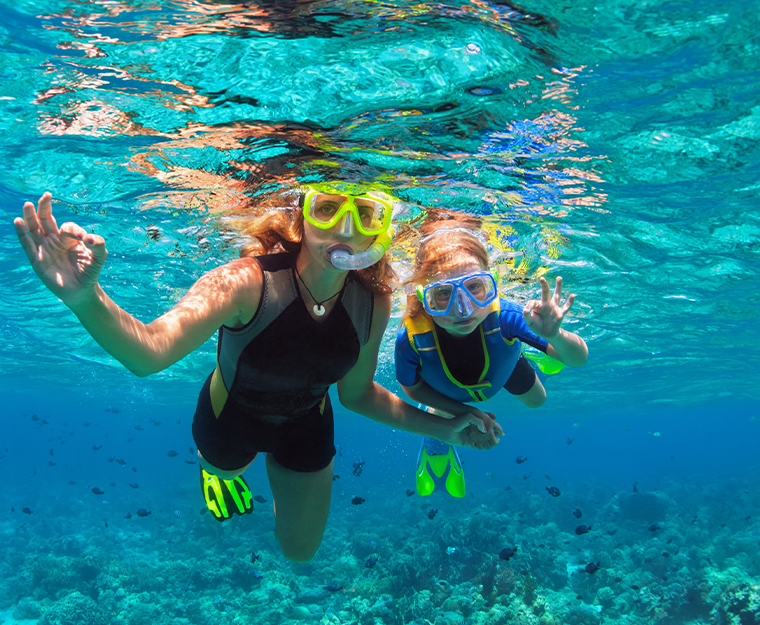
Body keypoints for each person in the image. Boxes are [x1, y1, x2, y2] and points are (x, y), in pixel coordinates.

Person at [13, 183, 500, 562]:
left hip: (308, 424)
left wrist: (447, 427)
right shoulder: (246, 280)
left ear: (380, 229)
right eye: (328, 209)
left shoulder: (374, 301)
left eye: (366, 214)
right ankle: (216, 472)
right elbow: (149, 353)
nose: (346, 229)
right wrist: (84, 298)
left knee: (299, 552)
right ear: (301, 217)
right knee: (225, 469)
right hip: (230, 418)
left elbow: (356, 395)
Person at [395, 224, 588, 498]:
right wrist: (465, 413)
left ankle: (534, 347)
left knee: (538, 401)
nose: (463, 309)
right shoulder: (410, 340)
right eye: (443, 294)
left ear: (490, 284)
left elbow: (578, 359)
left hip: (502, 365)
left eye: (474, 288)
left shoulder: (508, 316)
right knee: (437, 413)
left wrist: (556, 337)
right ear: (422, 297)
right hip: (442, 389)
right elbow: (412, 388)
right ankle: (435, 439)